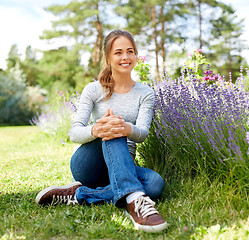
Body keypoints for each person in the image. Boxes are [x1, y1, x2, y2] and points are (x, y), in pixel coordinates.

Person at [35, 30, 167, 233]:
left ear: (135, 55)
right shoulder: (93, 90)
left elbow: (142, 134)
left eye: (130, 51)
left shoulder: (145, 93)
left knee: (155, 184)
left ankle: (78, 195)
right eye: (118, 52)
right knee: (110, 127)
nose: (125, 57)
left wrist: (127, 128)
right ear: (108, 58)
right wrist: (98, 128)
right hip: (89, 165)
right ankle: (134, 201)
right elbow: (74, 133)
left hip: (122, 166)